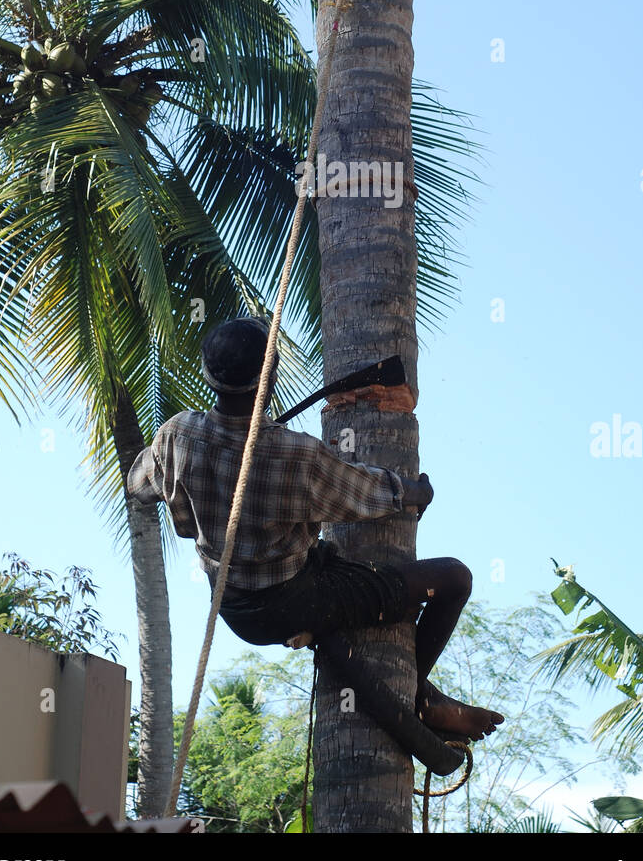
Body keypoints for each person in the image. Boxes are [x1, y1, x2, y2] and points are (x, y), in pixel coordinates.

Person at [127, 316, 502, 740]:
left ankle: (419, 688)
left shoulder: (177, 434)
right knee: (454, 579)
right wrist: (418, 491)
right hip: (294, 600)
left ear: (210, 378)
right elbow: (370, 492)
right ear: (268, 380)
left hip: (232, 605)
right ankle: (421, 698)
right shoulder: (294, 455)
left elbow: (138, 484)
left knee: (352, 575)